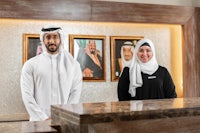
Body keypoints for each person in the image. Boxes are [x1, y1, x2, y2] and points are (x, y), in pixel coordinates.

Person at [20, 26, 82, 121]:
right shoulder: (30, 65)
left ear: (60, 39)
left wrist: (64, 116)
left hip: (64, 121)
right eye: (48, 37)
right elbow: (27, 95)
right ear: (43, 40)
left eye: (55, 37)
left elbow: (75, 93)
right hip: (38, 122)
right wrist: (43, 118)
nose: (51, 41)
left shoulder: (73, 65)